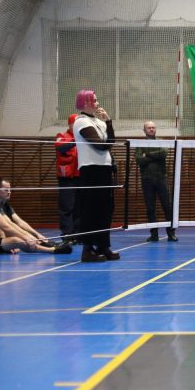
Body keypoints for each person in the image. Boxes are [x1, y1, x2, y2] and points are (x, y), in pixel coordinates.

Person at [73, 90, 120, 263]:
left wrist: (108, 121)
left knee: (105, 210)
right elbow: (101, 146)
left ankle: (103, 246)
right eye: (95, 100)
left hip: (104, 169)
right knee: (91, 210)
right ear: (86, 103)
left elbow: (111, 141)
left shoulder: (99, 122)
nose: (98, 103)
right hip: (91, 170)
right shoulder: (81, 122)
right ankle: (87, 250)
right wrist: (107, 143)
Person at [0, 178, 72, 254]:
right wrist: (26, 238)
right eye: (6, 190)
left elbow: (10, 223)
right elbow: (5, 227)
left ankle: (46, 243)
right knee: (16, 240)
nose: (9, 192)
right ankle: (52, 250)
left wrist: (31, 235)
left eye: (10, 189)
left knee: (19, 238)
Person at [135, 121, 176, 242]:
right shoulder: (140, 144)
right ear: (144, 130)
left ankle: (171, 234)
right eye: (149, 128)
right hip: (146, 180)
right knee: (150, 208)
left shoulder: (161, 141)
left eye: (153, 127)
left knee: (167, 206)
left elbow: (163, 154)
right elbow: (139, 160)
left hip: (161, 179)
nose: (151, 129)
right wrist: (154, 156)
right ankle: (154, 235)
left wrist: (146, 154)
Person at [54, 114, 80, 243]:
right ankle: (67, 234)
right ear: (70, 124)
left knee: (79, 207)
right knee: (66, 207)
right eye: (75, 123)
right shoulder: (62, 136)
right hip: (67, 178)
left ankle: (78, 234)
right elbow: (60, 147)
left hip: (81, 177)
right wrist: (76, 140)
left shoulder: (84, 138)